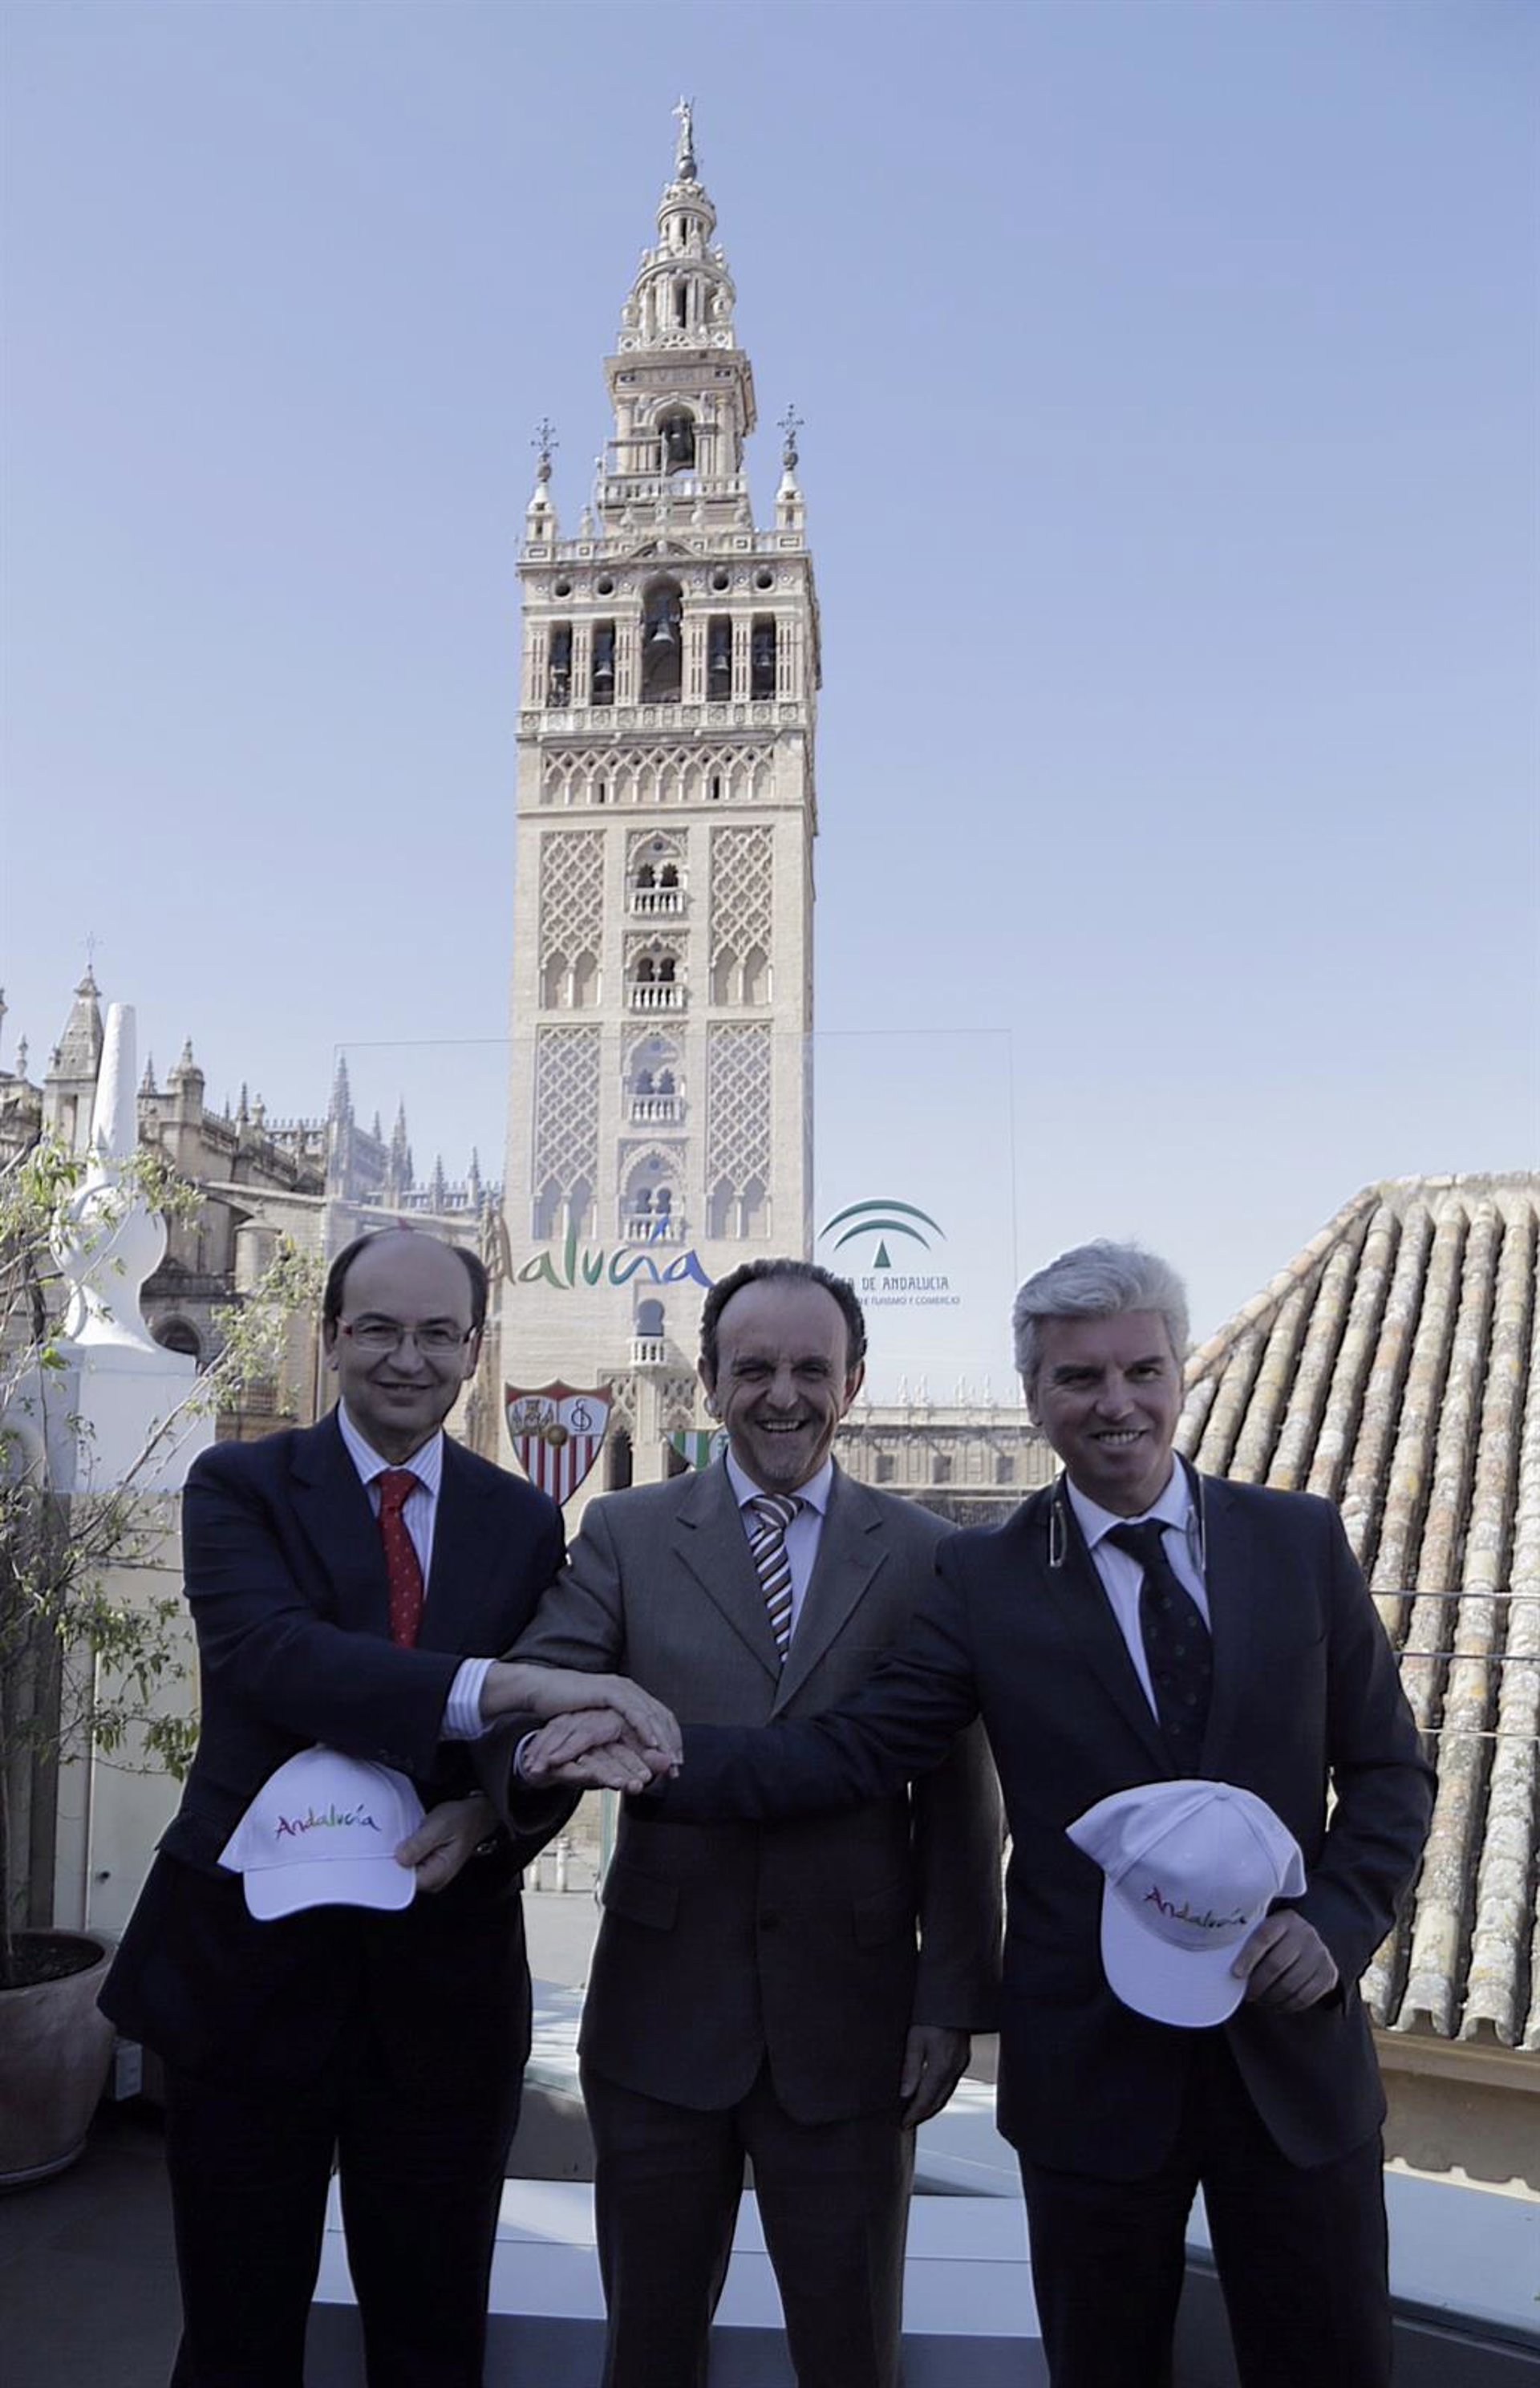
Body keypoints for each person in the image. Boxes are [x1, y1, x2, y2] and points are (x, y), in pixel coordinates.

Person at [542, 1242, 1435, 2388]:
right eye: (1079, 1378)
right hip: (1092, 2074)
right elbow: (859, 1751)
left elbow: (1391, 1773)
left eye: (1142, 1371)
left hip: (1292, 2061)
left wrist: (1340, 1922)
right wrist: (657, 1755)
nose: (1116, 1403)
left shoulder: (1297, 1541)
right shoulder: (987, 1577)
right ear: (1035, 1395)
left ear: (1180, 1375)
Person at [101, 1226, 671, 2388]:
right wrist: (511, 1687)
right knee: (237, 2333)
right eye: (378, 1330)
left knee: (431, 2332)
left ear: (473, 1349)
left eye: (436, 1334)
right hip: (250, 1979)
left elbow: (519, 1755)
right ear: (331, 1337)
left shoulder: (520, 1520)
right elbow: (278, 1661)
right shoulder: (240, 1485)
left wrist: (495, 1815)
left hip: (443, 1989)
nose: (407, 1359)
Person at [488, 1258, 1003, 2388]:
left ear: (853, 1382)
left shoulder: (927, 1553)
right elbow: (538, 1690)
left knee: (849, 2351)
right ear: (709, 1381)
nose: (783, 1394)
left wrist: (950, 1999)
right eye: (755, 1367)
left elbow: (958, 1796)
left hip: (858, 2031)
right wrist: (544, 1747)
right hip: (660, 2020)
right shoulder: (625, 1532)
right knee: (649, 2348)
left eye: (812, 1368)